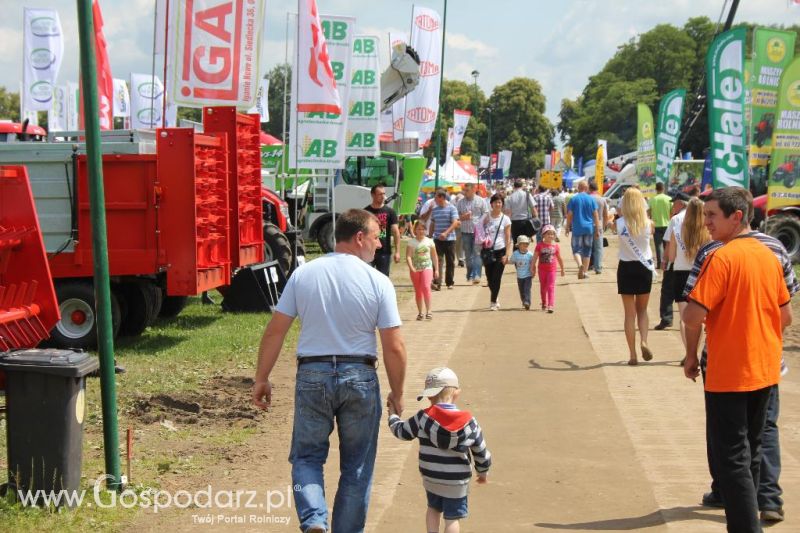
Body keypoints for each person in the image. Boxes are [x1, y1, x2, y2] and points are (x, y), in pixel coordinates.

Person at [252, 209, 408, 533]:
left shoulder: (304, 274)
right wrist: (398, 391)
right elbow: (394, 346)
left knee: (306, 458)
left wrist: (262, 378)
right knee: (358, 466)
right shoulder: (377, 281)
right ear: (360, 238)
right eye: (377, 237)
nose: (379, 245)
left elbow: (275, 331)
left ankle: (313, 521)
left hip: (313, 374)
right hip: (360, 376)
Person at [683, 187, 793, 532]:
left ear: (737, 217)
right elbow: (785, 315)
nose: (707, 222)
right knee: (752, 451)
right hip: (765, 367)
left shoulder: (723, 257)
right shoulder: (768, 256)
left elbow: (692, 315)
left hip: (730, 369)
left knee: (732, 459)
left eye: (713, 215)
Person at [387, 367, 492, 533]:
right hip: (457, 482)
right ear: (457, 393)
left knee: (433, 509)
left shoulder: (422, 418)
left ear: (429, 395)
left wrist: (393, 415)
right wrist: (483, 471)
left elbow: (401, 431)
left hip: (432, 478)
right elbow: (481, 451)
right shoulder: (470, 422)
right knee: (452, 519)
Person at [616, 187, 655, 365]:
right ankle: (644, 341)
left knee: (629, 314)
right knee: (643, 310)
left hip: (626, 267)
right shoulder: (649, 223)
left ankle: (632, 354)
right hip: (644, 267)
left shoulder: (619, 223)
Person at [666, 197, 709, 349]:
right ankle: (695, 351)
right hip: (700, 275)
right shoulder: (707, 231)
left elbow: (671, 256)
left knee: (684, 317)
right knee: (699, 317)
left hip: (681, 274)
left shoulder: (677, 229)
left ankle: (688, 351)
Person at [654, 193, 690, 330]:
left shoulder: (676, 219)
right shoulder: (699, 216)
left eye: (674, 203)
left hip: (675, 260)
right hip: (693, 262)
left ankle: (667, 318)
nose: (672, 206)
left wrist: (665, 259)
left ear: (680, 203)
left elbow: (669, 241)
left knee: (667, 290)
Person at [476, 194, 511, 310]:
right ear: (491, 204)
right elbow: (478, 228)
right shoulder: (486, 217)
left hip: (500, 251)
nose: (498, 204)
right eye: (495, 202)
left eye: (500, 202)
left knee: (497, 277)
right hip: (487, 250)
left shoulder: (505, 219)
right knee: (489, 278)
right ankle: (495, 296)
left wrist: (507, 254)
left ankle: (493, 302)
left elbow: (507, 238)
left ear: (502, 204)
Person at [565, 181, 600, 279]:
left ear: (578, 188)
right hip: (589, 228)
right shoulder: (591, 199)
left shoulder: (574, 199)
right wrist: (597, 229)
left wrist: (567, 226)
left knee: (576, 249)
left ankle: (580, 264)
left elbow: (570, 214)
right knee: (587, 250)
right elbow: (596, 215)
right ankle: (584, 272)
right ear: (587, 188)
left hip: (577, 228)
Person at [364, 183, 401, 277]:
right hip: (368, 251)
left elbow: (396, 232)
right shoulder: (365, 212)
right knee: (367, 277)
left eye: (384, 194)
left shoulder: (390, 212)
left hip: (384, 252)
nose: (383, 196)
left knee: (383, 278)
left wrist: (397, 251)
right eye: (380, 194)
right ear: (373, 195)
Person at [456, 183, 488, 285]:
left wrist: (480, 222)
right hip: (465, 232)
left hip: (477, 232)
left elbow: (486, 213)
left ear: (473, 190)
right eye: (464, 190)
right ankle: (469, 272)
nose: (465, 192)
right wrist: (463, 217)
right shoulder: (460, 202)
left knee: (477, 253)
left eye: (467, 190)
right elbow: (456, 217)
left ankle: (476, 275)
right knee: (468, 255)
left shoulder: (481, 201)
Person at [428, 189, 460, 290]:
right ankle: (437, 282)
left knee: (450, 261)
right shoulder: (435, 209)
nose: (435, 199)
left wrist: (446, 233)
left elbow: (455, 223)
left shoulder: (452, 208)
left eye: (436, 197)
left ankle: (449, 282)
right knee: (438, 261)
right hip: (437, 240)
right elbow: (433, 223)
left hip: (450, 240)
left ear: (441, 197)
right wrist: (429, 236)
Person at [407, 220, 439, 321]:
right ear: (415, 230)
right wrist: (412, 268)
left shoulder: (429, 241)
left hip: (427, 267)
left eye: (423, 229)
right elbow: (408, 256)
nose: (421, 231)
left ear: (426, 230)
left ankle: (429, 311)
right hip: (415, 269)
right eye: (418, 229)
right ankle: (420, 312)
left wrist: (436, 269)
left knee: (426, 287)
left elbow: (434, 256)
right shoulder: (411, 242)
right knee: (418, 291)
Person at [534, 224, 565, 313]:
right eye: (548, 234)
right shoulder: (539, 246)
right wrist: (533, 267)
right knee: (543, 287)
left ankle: (551, 305)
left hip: (552, 270)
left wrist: (562, 269)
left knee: (551, 287)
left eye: (552, 234)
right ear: (543, 235)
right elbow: (535, 257)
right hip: (542, 270)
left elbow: (559, 258)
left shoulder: (556, 247)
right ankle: (544, 302)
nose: (551, 236)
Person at [504, 179, 538, 246]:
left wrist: (507, 225)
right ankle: (523, 255)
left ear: (514, 187)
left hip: (514, 223)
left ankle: (516, 255)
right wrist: (536, 220)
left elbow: (508, 213)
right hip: (525, 222)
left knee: (516, 243)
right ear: (522, 186)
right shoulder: (527, 195)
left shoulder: (509, 197)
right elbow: (533, 209)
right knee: (524, 243)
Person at [647, 181, 672, 268]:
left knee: (658, 245)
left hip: (656, 225)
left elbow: (648, 213)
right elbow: (672, 212)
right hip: (667, 225)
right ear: (663, 188)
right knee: (667, 245)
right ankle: (667, 263)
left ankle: (659, 263)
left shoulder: (652, 200)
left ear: (656, 189)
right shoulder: (669, 199)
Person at [588, 181, 609, 274]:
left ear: (590, 188)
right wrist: (604, 226)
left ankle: (587, 265)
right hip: (599, 225)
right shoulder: (602, 199)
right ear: (597, 189)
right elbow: (606, 215)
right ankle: (598, 267)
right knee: (598, 248)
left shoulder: (587, 198)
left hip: (587, 224)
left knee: (587, 246)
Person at [510, 235, 534, 310]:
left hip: (528, 275)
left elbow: (533, 264)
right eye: (523, 244)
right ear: (519, 245)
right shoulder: (515, 253)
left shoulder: (530, 254)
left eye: (526, 244)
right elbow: (511, 261)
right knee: (521, 290)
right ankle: (524, 301)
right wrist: (505, 261)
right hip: (519, 276)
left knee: (527, 289)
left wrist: (533, 271)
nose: (525, 245)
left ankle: (527, 301)